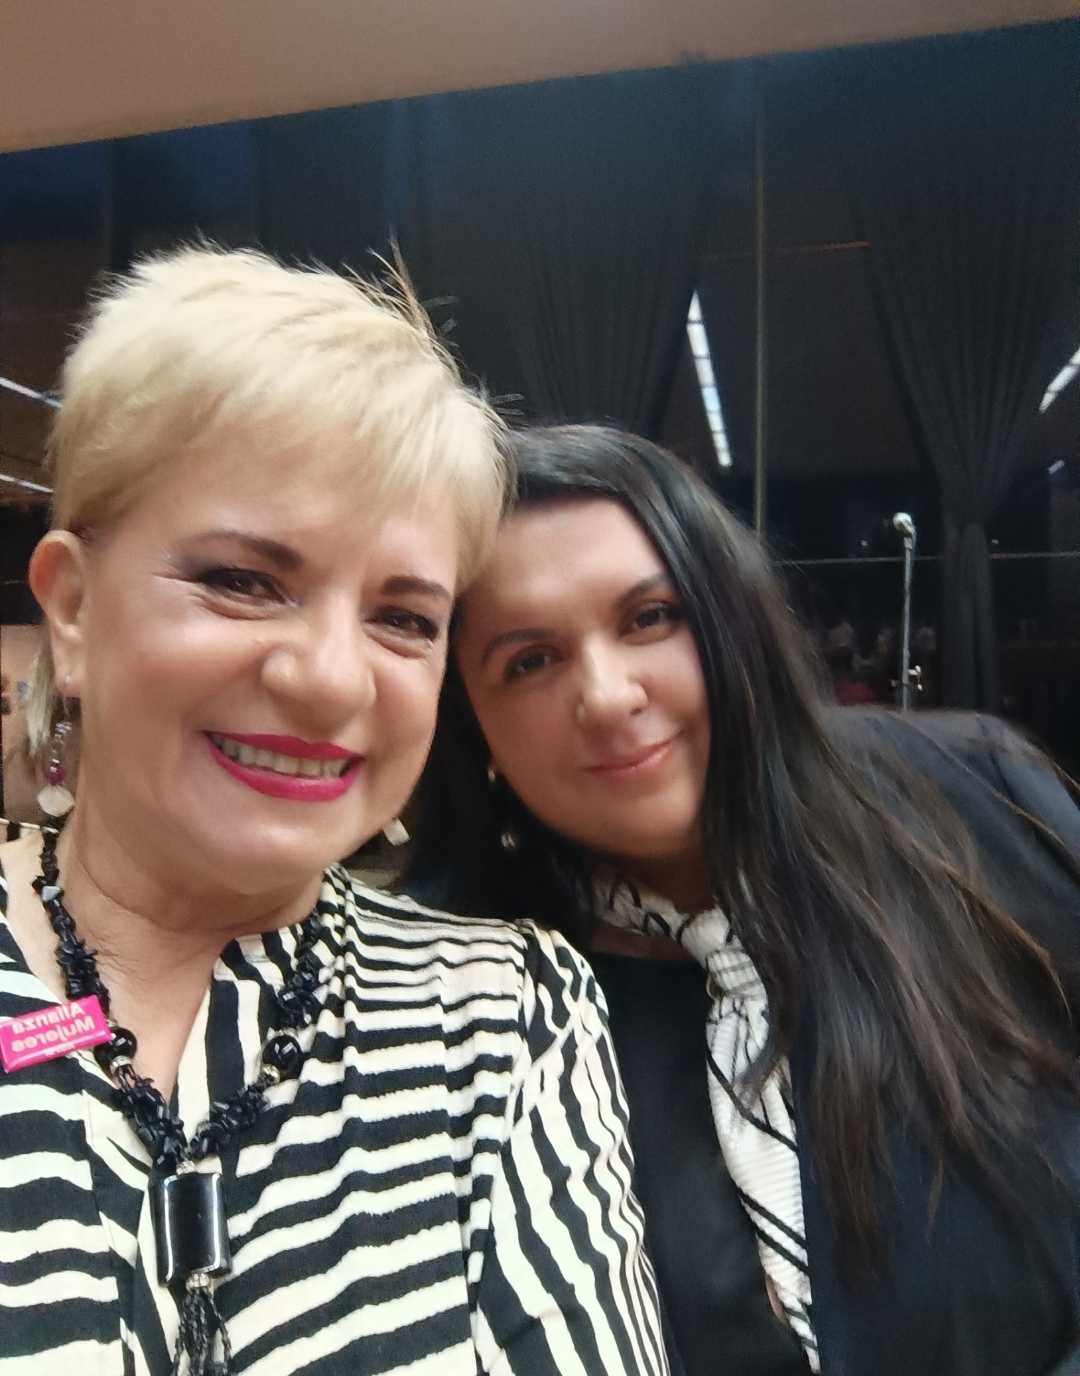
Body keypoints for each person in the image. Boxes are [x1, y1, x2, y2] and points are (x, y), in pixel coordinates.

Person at [0, 260, 667, 1376]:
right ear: (71, 610)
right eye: (244, 581)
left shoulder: (499, 1016)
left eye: (403, 617)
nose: (330, 679)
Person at [405, 424, 1080, 1376]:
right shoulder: (474, 1000)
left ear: (734, 621)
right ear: (472, 728)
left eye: (650, 618)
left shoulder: (978, 803)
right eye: (530, 661)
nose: (608, 695)